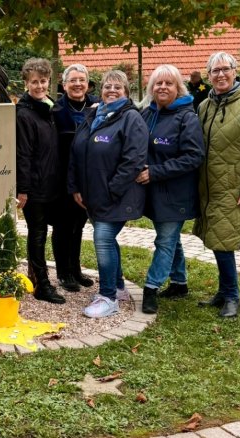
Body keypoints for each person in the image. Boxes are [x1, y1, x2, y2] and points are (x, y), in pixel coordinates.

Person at [193, 51, 240, 318]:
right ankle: (224, 292)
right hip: (209, 186)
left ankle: (233, 297)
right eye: (215, 71)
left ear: (235, 71)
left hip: (234, 188)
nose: (221, 74)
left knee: (223, 242)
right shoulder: (205, 106)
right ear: (208, 75)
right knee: (215, 239)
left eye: (226, 69)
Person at [68, 70, 148, 319]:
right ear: (100, 90)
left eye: (118, 87)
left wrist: (110, 190)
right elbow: (76, 150)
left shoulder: (131, 119)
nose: (111, 91)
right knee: (107, 240)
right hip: (92, 195)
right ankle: (120, 287)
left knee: (103, 239)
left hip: (116, 196)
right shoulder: (94, 115)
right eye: (107, 86)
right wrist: (76, 187)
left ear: (126, 91)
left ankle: (108, 296)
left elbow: (133, 161)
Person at [135, 64, 206, 314]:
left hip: (175, 193)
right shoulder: (146, 114)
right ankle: (179, 282)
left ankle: (151, 287)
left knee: (164, 240)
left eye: (169, 83)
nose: (162, 87)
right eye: (158, 83)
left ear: (178, 88)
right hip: (153, 193)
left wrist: (155, 171)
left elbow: (194, 156)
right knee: (170, 239)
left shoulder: (187, 118)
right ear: (151, 88)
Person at [15, 58, 65, 304]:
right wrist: (23, 189)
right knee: (37, 233)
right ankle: (42, 285)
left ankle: (36, 276)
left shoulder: (49, 107)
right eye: (34, 82)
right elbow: (22, 154)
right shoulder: (24, 113)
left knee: (44, 232)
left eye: (43, 81)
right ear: (26, 83)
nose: (39, 86)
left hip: (51, 182)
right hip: (34, 186)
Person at [53, 64, 100, 292]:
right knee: (63, 225)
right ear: (64, 85)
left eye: (82, 80)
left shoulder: (97, 107)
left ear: (88, 83)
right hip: (62, 177)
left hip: (87, 177)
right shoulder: (55, 110)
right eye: (73, 80)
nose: (78, 84)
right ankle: (64, 273)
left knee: (79, 225)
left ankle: (75, 268)